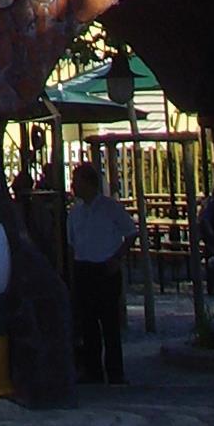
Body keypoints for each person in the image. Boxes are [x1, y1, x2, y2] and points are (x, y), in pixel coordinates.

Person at [67, 162, 138, 384]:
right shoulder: (75, 213)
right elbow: (71, 243)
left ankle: (115, 371)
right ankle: (93, 370)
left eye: (76, 181)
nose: (73, 186)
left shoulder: (111, 208)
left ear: (88, 183)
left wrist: (116, 258)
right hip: (84, 267)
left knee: (109, 322)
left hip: (105, 268)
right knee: (88, 323)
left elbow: (131, 233)